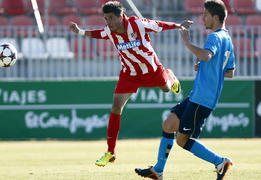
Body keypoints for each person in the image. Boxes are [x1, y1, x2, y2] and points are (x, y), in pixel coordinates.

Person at [69, 1, 193, 167]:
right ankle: (110, 152)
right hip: (130, 74)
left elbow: (158, 25)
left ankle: (170, 77)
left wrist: (179, 26)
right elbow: (99, 33)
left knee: (166, 88)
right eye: (106, 18)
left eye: (111, 18)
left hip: (152, 70)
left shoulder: (137, 24)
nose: (108, 22)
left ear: (121, 16)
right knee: (115, 107)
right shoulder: (109, 31)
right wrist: (80, 31)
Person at [135, 0, 235, 179]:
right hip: (198, 96)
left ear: (215, 17)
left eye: (205, 14)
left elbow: (206, 55)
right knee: (168, 124)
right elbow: (229, 72)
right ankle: (158, 170)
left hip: (202, 99)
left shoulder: (214, 37)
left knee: (182, 140)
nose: (202, 18)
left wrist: (187, 43)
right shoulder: (227, 39)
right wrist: (207, 66)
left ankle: (220, 162)